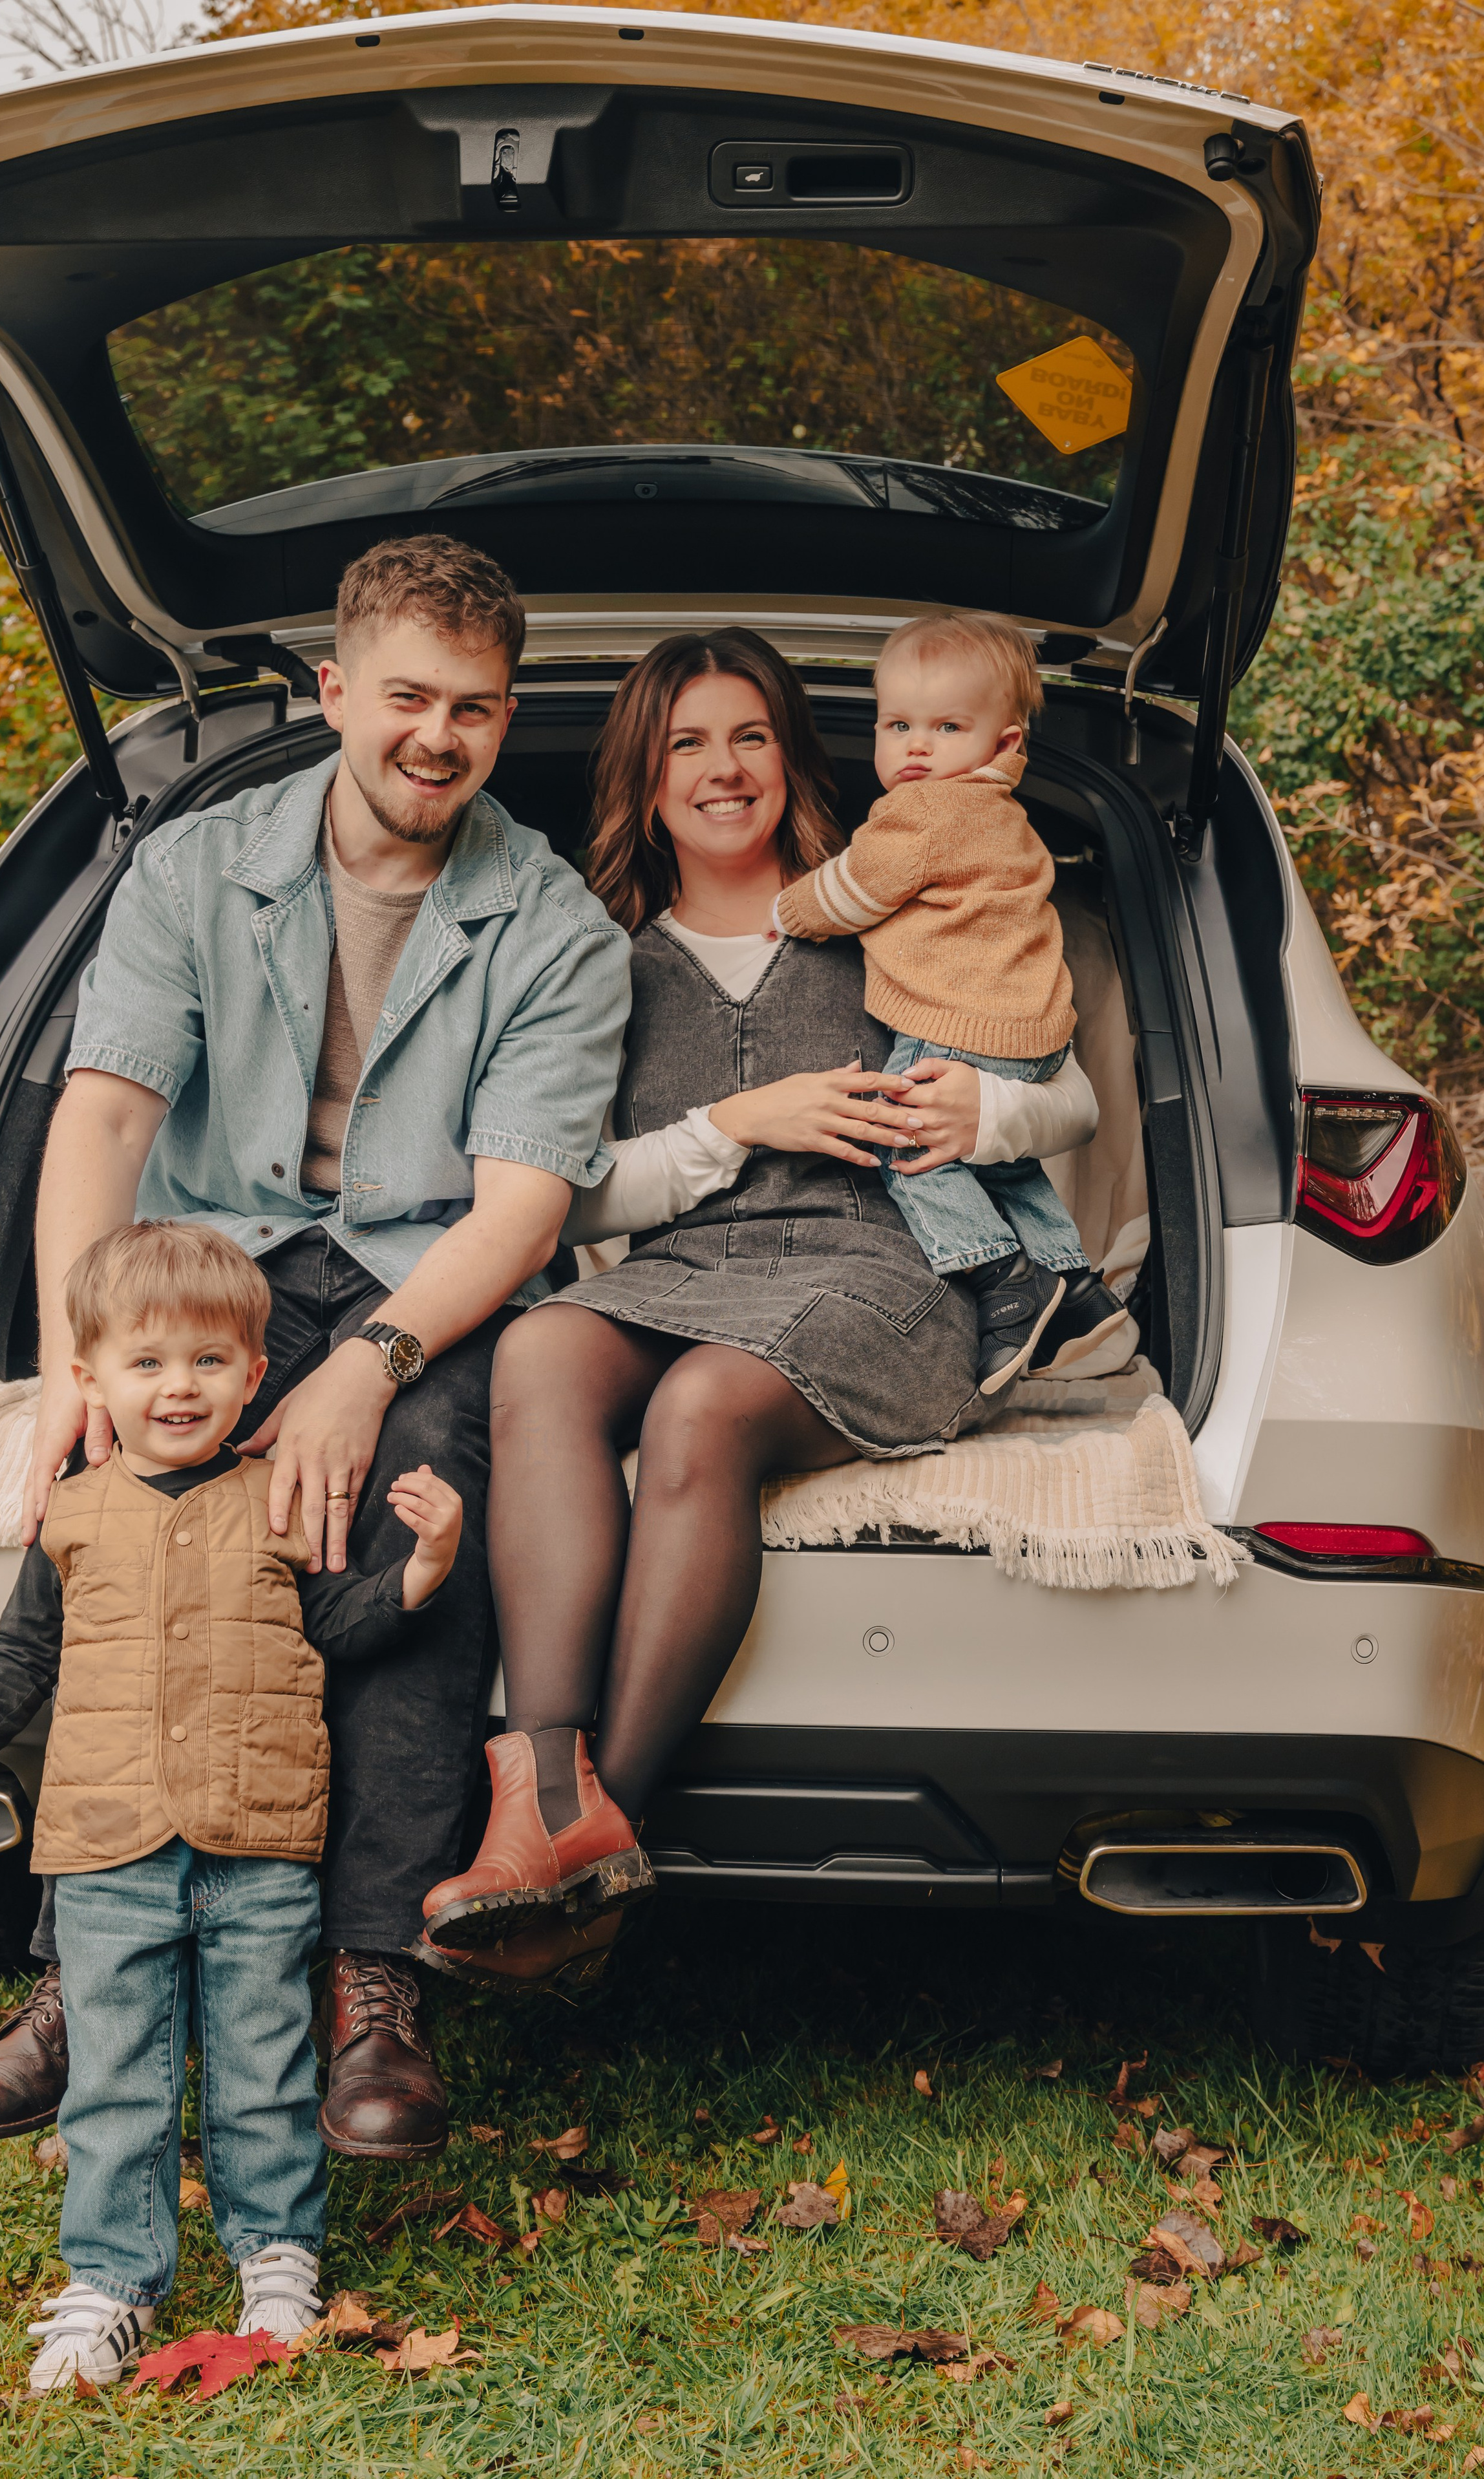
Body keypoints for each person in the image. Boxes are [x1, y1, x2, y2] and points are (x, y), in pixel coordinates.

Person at [0, 535, 630, 2158]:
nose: (434, 736)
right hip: (207, 1263)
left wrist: (362, 1367)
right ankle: (74, 1985)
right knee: (131, 1519)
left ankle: (369, 1987)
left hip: (422, 1280)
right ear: (333, 690)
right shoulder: (193, 864)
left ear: (504, 714)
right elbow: (103, 1113)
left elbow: (519, 1212)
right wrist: (71, 1365)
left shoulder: (553, 925)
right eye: (403, 696)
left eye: (471, 705)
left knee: (413, 1507)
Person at [410, 627, 1099, 1984]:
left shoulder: (902, 898)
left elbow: (1063, 1089)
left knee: (702, 1403)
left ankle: (606, 1831)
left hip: (882, 1267)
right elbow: (564, 1198)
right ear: (644, 780)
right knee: (543, 1345)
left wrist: (991, 1110)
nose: (721, 771)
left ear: (788, 758)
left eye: (749, 737)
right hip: (680, 1265)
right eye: (684, 745)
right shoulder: (595, 958)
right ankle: (549, 1800)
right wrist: (736, 1122)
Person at [0, 1222, 465, 2389]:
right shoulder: (70, 1512)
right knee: (118, 2071)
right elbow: (24, 1652)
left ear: (259, 1376)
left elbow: (341, 1627)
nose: (180, 1387)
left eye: (211, 1363)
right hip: (106, 1843)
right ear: (91, 1380)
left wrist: (414, 1576)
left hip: (257, 1837)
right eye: (150, 1363)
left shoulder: (280, 1501)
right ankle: (111, 2280)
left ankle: (275, 2255)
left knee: (263, 2060)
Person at [772, 611, 1127, 1393]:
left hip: (958, 1025)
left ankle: (1003, 1281)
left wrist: (787, 912)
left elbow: (855, 888)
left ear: (1005, 746)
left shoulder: (925, 812)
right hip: (1029, 1034)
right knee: (999, 1168)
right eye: (898, 725)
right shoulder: (1006, 817)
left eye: (945, 725)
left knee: (909, 1149)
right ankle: (1076, 1288)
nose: (917, 748)